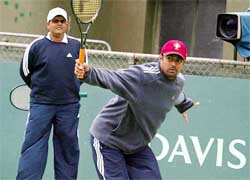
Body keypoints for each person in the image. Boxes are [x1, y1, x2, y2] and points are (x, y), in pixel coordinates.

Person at [74, 39, 199, 179]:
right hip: (109, 140)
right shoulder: (142, 77)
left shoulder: (179, 81)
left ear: (184, 63)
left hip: (137, 147)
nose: (173, 64)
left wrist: (183, 105)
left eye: (178, 60)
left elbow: (174, 94)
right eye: (170, 59)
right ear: (160, 58)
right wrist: (88, 72)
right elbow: (113, 77)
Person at [17, 7, 81, 180]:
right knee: (33, 148)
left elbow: (82, 73)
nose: (59, 24)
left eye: (62, 21)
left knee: (68, 150)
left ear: (67, 24)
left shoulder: (77, 45)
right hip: (41, 105)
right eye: (55, 21)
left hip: (69, 106)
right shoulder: (36, 46)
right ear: (48, 24)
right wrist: (42, 89)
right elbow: (25, 71)